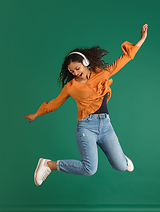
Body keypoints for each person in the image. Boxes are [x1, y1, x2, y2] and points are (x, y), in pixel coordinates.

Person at [24, 24, 148, 186]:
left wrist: (141, 39)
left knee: (120, 166)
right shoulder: (71, 87)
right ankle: (49, 164)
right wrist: (37, 113)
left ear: (85, 62)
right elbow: (55, 103)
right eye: (72, 71)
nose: (75, 73)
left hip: (106, 126)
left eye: (77, 68)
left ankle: (122, 159)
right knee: (89, 169)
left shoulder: (102, 73)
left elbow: (124, 59)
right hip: (86, 127)